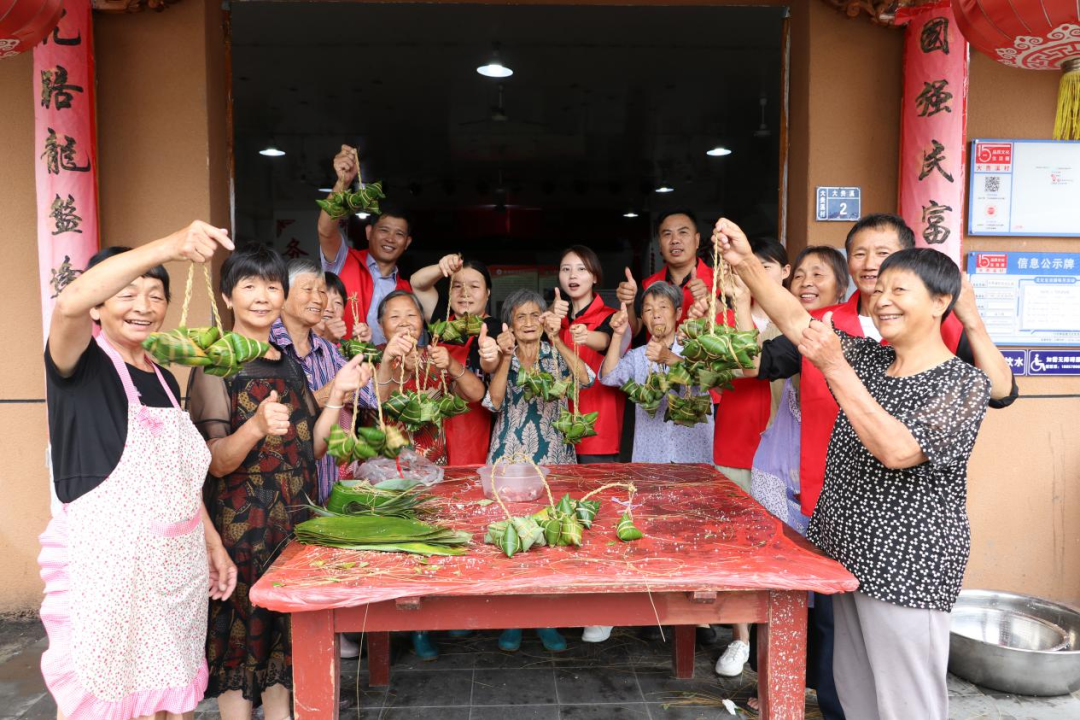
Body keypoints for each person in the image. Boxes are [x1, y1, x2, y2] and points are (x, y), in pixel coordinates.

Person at [716, 217, 993, 720]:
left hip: (905, 569)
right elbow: (796, 319)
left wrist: (836, 369)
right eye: (878, 287)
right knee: (854, 694)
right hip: (845, 554)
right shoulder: (870, 360)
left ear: (939, 302)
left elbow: (898, 450)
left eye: (899, 289)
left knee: (906, 703)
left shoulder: (960, 382)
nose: (881, 298)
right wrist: (746, 264)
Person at [39, 223, 238, 720]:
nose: (143, 306)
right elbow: (68, 305)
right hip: (110, 567)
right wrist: (173, 246)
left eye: (156, 294)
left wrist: (212, 545)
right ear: (99, 305)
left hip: (177, 564)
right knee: (108, 694)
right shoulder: (79, 362)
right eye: (127, 294)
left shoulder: (165, 376)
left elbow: (180, 476)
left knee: (174, 694)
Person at [187, 244, 371, 720]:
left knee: (284, 647)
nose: (263, 296)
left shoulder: (288, 362)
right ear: (228, 296)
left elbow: (309, 449)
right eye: (249, 285)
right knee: (241, 645)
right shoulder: (214, 365)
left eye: (272, 286)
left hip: (294, 523)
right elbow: (216, 463)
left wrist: (339, 395)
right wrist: (254, 427)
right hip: (241, 532)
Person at [754, 213, 1017, 523]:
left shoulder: (945, 325)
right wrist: (745, 272)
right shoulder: (826, 322)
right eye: (859, 253)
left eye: (882, 253)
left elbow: (1000, 393)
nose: (869, 264)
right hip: (830, 494)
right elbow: (764, 358)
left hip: (903, 514)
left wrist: (971, 318)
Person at [745, 245, 849, 719]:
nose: (807, 280)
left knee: (823, 596)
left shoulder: (850, 332)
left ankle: (824, 692)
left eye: (819, 273)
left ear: (841, 287)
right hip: (776, 468)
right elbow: (757, 362)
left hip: (827, 479)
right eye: (800, 274)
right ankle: (781, 683)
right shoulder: (787, 331)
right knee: (779, 585)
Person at [483, 288, 594, 654]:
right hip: (512, 457)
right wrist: (505, 358)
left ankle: (548, 619)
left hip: (554, 454)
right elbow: (494, 401)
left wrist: (557, 340)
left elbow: (586, 378)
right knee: (513, 536)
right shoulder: (504, 355)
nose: (529, 322)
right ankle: (512, 620)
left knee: (550, 536)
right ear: (509, 325)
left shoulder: (554, 352)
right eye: (520, 317)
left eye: (535, 315)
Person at [710, 238, 789, 678]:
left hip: (779, 448)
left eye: (766, 265)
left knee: (776, 541)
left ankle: (777, 631)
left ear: (785, 271)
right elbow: (731, 367)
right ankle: (741, 638)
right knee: (734, 540)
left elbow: (755, 364)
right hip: (733, 438)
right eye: (748, 265)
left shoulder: (793, 318)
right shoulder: (720, 318)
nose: (755, 272)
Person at [270, 259, 377, 504]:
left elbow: (370, 397)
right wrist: (326, 395)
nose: (319, 299)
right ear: (282, 296)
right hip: (278, 493)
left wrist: (364, 375)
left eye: (321, 291)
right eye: (308, 290)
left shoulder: (328, 350)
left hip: (325, 487)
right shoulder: (266, 347)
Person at [373, 290, 487, 467]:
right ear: (381, 325)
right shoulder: (372, 357)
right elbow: (379, 400)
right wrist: (402, 369)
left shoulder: (434, 356)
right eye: (395, 317)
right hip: (386, 467)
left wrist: (451, 364)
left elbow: (476, 394)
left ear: (422, 320)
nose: (404, 322)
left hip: (433, 464)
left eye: (411, 315)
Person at [410, 254, 500, 465]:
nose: (464, 293)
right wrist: (442, 267)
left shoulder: (494, 328)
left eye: (474, 286)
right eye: (457, 286)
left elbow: (486, 376)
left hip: (471, 423)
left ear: (487, 293)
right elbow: (418, 283)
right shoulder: (442, 317)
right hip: (430, 422)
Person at [317, 144, 412, 343]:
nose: (390, 239)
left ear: (407, 242)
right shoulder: (344, 259)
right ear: (369, 232)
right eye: (384, 230)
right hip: (337, 367)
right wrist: (344, 182)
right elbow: (325, 231)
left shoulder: (406, 290)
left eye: (399, 234)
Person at [557, 246, 624, 464]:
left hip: (598, 433)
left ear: (594, 277)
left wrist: (586, 335)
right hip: (557, 432)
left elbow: (605, 340)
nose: (572, 275)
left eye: (581, 269)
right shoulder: (556, 320)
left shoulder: (612, 318)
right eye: (566, 269)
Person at [616, 210, 713, 337]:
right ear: (660, 245)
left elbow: (736, 327)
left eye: (683, 232)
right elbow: (634, 331)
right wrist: (628, 304)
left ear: (697, 240)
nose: (675, 240)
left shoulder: (719, 281)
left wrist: (711, 301)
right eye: (667, 234)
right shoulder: (648, 285)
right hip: (657, 356)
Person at [314, 270, 348, 343]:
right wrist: (328, 341)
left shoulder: (346, 347)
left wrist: (359, 345)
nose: (330, 309)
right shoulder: (293, 342)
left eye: (338, 302)